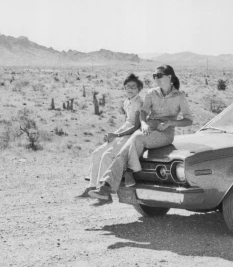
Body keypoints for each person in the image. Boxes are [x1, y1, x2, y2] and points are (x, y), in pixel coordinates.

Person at [89, 65, 193, 204]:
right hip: (149, 126)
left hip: (165, 133)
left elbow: (188, 120)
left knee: (136, 138)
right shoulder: (152, 93)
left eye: (159, 75)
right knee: (125, 149)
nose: (156, 78)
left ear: (170, 77)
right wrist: (143, 124)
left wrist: (170, 123)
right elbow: (143, 112)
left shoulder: (179, 96)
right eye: (154, 76)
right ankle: (105, 187)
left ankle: (131, 171)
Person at [77, 74, 144, 198]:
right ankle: (91, 187)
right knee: (97, 153)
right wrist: (113, 135)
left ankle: (103, 190)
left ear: (139, 89)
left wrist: (117, 134)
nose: (130, 89)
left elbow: (136, 126)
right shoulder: (127, 102)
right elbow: (126, 122)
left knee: (107, 155)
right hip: (124, 131)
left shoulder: (138, 103)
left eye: (133, 87)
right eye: (127, 87)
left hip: (132, 135)